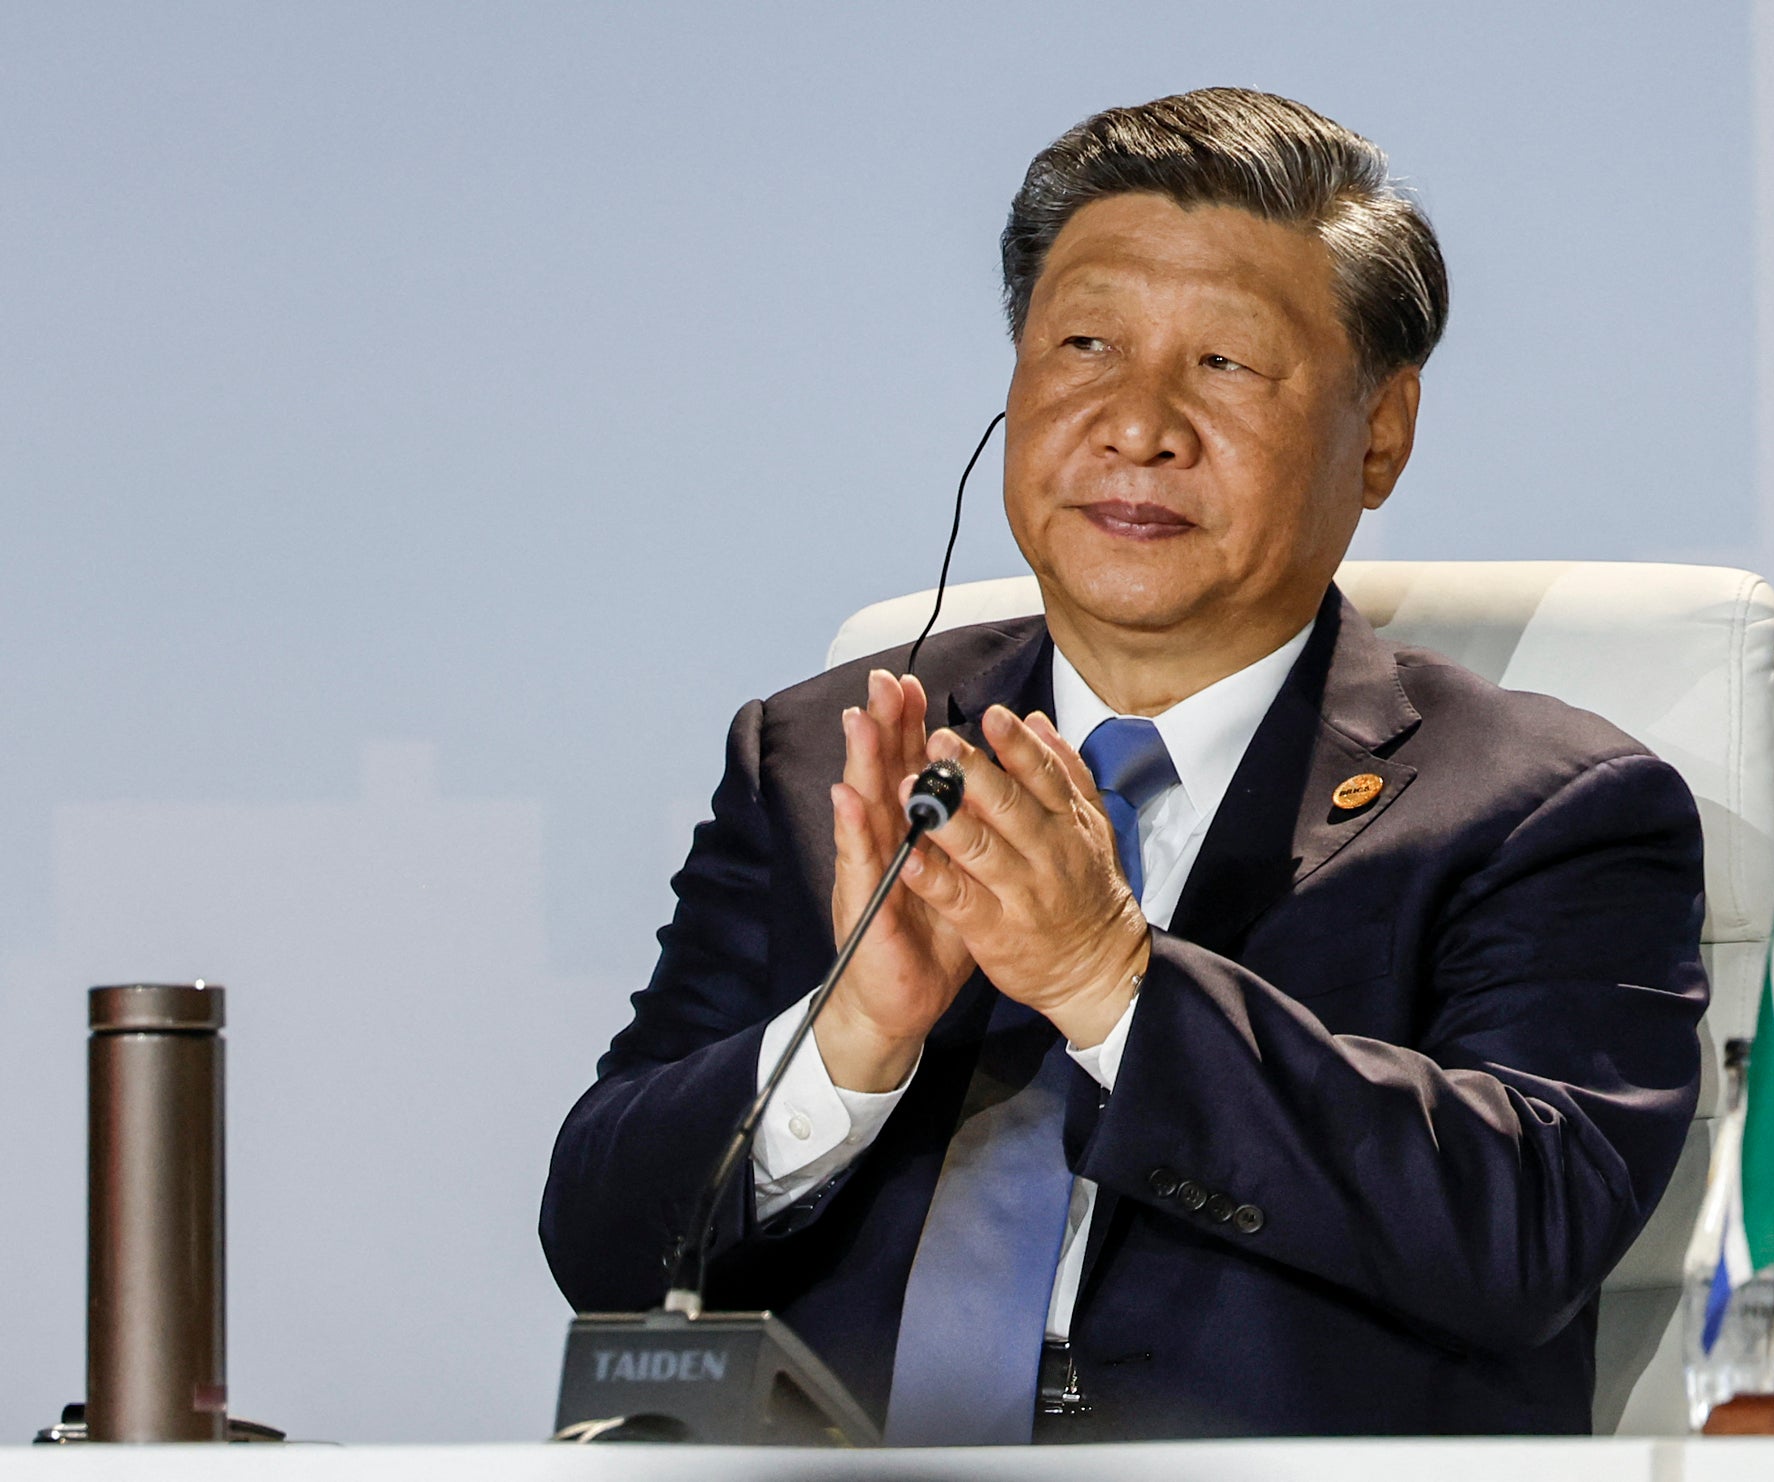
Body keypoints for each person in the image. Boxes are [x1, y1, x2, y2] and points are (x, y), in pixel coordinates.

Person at [540, 87, 1706, 1442]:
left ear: (1381, 432)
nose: (1136, 423)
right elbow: (605, 1241)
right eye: (1084, 343)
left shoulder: (1545, 809)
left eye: (1223, 365)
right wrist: (851, 1033)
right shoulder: (824, 759)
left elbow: (1521, 1234)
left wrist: (1114, 983)